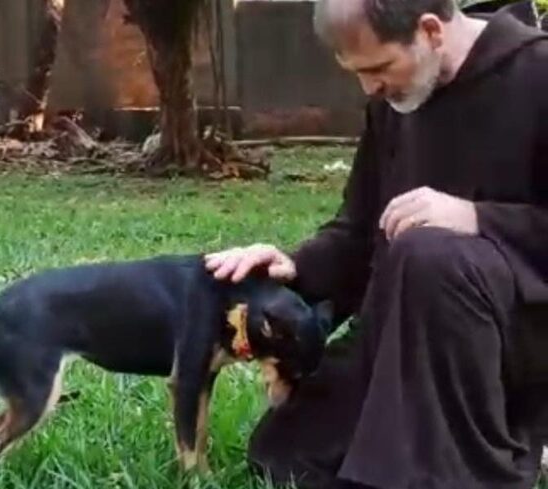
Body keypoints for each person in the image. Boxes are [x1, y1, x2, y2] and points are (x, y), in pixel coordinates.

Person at [204, 0, 548, 488]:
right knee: (288, 450)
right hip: (409, 329)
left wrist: (476, 217)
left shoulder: (537, 74)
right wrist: (293, 268)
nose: (370, 87)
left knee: (427, 252)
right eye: (358, 73)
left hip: (520, 332)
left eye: (380, 67)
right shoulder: (396, 102)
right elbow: (362, 229)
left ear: (430, 30)